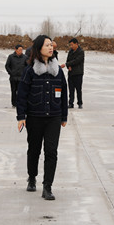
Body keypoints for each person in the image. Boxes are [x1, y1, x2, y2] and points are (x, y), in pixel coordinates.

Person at [16, 35, 68, 200]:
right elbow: (22, 95)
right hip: (34, 117)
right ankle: (32, 177)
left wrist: (64, 116)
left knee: (51, 151)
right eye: (47, 45)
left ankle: (47, 187)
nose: (51, 48)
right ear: (39, 49)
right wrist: (21, 116)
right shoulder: (30, 71)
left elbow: (64, 93)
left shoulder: (58, 71)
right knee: (34, 150)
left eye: (51, 45)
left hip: (54, 117)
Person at [61, 38, 84, 109]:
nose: (71, 46)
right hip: (71, 73)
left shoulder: (81, 52)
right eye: (70, 45)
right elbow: (68, 60)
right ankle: (71, 103)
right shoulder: (70, 51)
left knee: (78, 89)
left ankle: (80, 103)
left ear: (76, 44)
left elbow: (77, 61)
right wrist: (68, 66)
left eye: (72, 45)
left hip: (78, 73)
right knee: (71, 89)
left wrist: (66, 64)